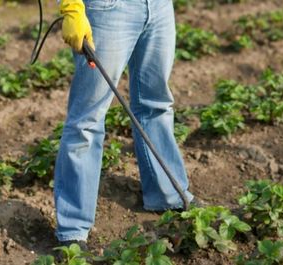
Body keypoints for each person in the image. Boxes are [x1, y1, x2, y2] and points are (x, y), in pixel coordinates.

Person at [54, 0, 196, 248]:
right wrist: (71, 7)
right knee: (87, 122)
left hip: (159, 7)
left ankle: (168, 195)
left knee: (156, 104)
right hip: (108, 9)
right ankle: (73, 230)